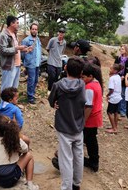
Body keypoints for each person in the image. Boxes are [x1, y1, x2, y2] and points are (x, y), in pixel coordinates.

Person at [48, 57, 85, 190]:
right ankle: (76, 183)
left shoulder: (57, 85)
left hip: (63, 127)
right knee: (78, 156)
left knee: (66, 159)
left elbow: (51, 101)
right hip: (78, 126)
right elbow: (83, 102)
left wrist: (56, 103)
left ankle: (66, 187)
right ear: (81, 73)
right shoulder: (82, 85)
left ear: (65, 68)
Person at [0, 115, 39, 190]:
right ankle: (30, 184)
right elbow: (26, 150)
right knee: (29, 155)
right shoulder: (15, 140)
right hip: (9, 179)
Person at [81, 63, 103, 172]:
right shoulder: (96, 82)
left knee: (89, 140)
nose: (81, 79)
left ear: (90, 76)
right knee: (91, 140)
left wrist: (83, 121)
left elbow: (89, 106)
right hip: (95, 117)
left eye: (83, 77)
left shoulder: (89, 87)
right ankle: (93, 161)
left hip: (90, 118)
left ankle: (93, 162)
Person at [0, 15, 27, 92]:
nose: (18, 25)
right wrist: (17, 48)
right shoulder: (4, 35)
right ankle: (4, 104)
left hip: (17, 65)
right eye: (17, 23)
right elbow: (3, 50)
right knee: (6, 89)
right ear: (12, 23)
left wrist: (24, 49)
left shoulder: (14, 34)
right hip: (9, 66)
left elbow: (15, 49)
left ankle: (11, 104)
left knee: (14, 89)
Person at [21, 23, 42, 104]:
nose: (34, 30)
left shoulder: (38, 39)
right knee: (31, 80)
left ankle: (32, 93)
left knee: (36, 80)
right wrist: (26, 62)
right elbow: (22, 54)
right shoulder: (26, 40)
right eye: (33, 29)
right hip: (30, 64)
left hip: (37, 63)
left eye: (36, 29)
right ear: (30, 30)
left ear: (37, 30)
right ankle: (30, 97)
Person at [114, 44, 128, 117]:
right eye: (121, 49)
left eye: (122, 49)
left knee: (123, 94)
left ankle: (123, 110)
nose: (121, 50)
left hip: (125, 78)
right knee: (117, 93)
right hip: (117, 77)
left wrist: (124, 76)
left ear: (127, 50)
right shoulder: (118, 58)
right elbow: (115, 66)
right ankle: (118, 109)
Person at [46, 28, 66, 92]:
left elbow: (62, 52)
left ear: (64, 34)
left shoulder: (64, 42)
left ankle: (54, 90)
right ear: (58, 33)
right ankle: (49, 90)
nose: (61, 34)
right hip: (51, 61)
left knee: (57, 77)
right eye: (60, 32)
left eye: (62, 33)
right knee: (51, 76)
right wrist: (52, 54)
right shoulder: (52, 40)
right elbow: (48, 49)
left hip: (59, 63)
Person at [106, 64, 122, 134]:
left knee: (109, 112)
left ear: (115, 70)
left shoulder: (112, 78)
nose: (110, 70)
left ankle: (113, 128)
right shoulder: (118, 76)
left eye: (111, 69)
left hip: (114, 97)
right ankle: (115, 126)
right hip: (118, 96)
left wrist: (107, 95)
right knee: (115, 112)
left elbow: (111, 89)